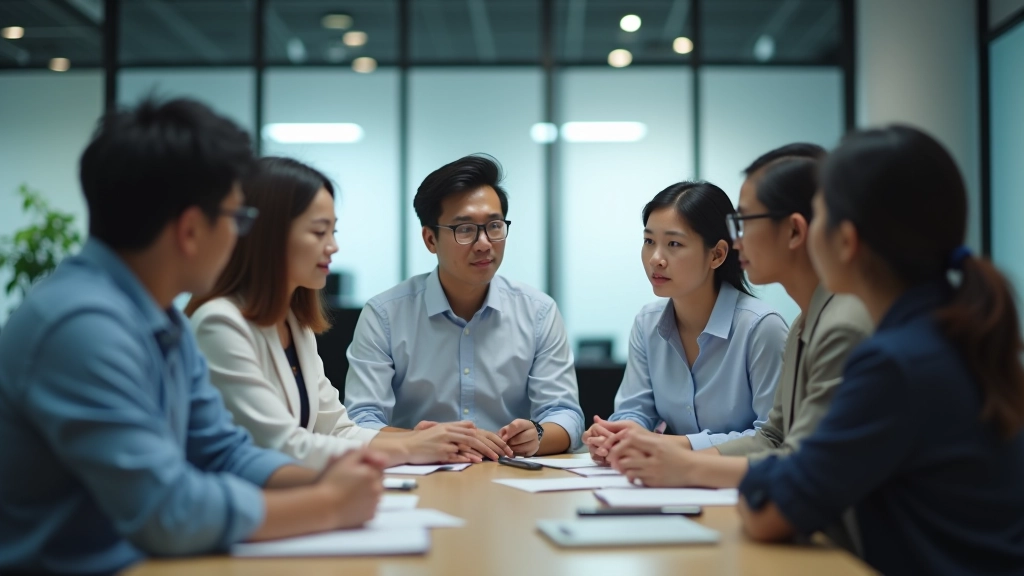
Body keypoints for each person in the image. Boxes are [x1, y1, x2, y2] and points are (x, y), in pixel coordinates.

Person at [0, 99, 387, 575]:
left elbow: (222, 450)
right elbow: (166, 510)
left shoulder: (162, 319)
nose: (240, 238)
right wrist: (326, 505)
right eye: (237, 220)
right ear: (189, 230)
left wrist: (331, 476)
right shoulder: (80, 326)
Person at [737, 126, 1024, 575]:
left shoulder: (893, 362)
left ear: (846, 241)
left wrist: (763, 481)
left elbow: (773, 511)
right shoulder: (949, 332)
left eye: (818, 215)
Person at [187, 157, 498, 469]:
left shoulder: (294, 324)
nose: (333, 247)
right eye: (319, 232)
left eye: (333, 231)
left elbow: (337, 429)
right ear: (269, 235)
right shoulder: (220, 324)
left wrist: (424, 440)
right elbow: (282, 445)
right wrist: (409, 449)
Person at [605, 146, 873, 492]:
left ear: (795, 231)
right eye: (649, 241)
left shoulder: (824, 326)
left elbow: (805, 461)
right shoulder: (804, 324)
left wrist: (684, 462)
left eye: (745, 222)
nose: (738, 239)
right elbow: (775, 438)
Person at [343, 154, 584, 457]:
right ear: (430, 239)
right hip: (420, 480)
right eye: (465, 229)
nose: (484, 243)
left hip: (510, 478)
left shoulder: (538, 311)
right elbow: (359, 423)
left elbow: (566, 416)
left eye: (494, 226)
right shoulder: (385, 315)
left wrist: (536, 435)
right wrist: (427, 443)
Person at [584, 181, 788, 461]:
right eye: (648, 241)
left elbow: (773, 438)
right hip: (670, 485)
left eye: (674, 244)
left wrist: (677, 446)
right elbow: (635, 410)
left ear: (717, 254)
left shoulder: (761, 327)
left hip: (744, 489)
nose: (656, 259)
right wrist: (617, 435)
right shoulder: (647, 323)